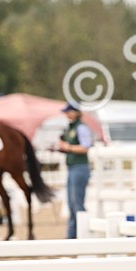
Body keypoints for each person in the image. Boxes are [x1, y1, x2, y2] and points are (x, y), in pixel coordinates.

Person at [59, 102, 93, 239]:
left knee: (77, 204)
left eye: (68, 112)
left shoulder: (81, 128)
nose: (66, 115)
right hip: (72, 167)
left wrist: (67, 147)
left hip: (79, 168)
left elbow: (85, 147)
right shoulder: (71, 128)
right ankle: (72, 236)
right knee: (71, 204)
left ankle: (81, 235)